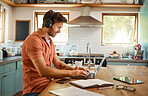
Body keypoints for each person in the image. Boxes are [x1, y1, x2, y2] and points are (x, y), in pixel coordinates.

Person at [22, 10, 89, 96]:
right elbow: (43, 71)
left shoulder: (49, 41)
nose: (59, 31)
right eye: (58, 27)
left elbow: (57, 63)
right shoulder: (34, 40)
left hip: (47, 85)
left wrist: (74, 69)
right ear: (48, 24)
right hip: (35, 91)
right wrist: (72, 73)